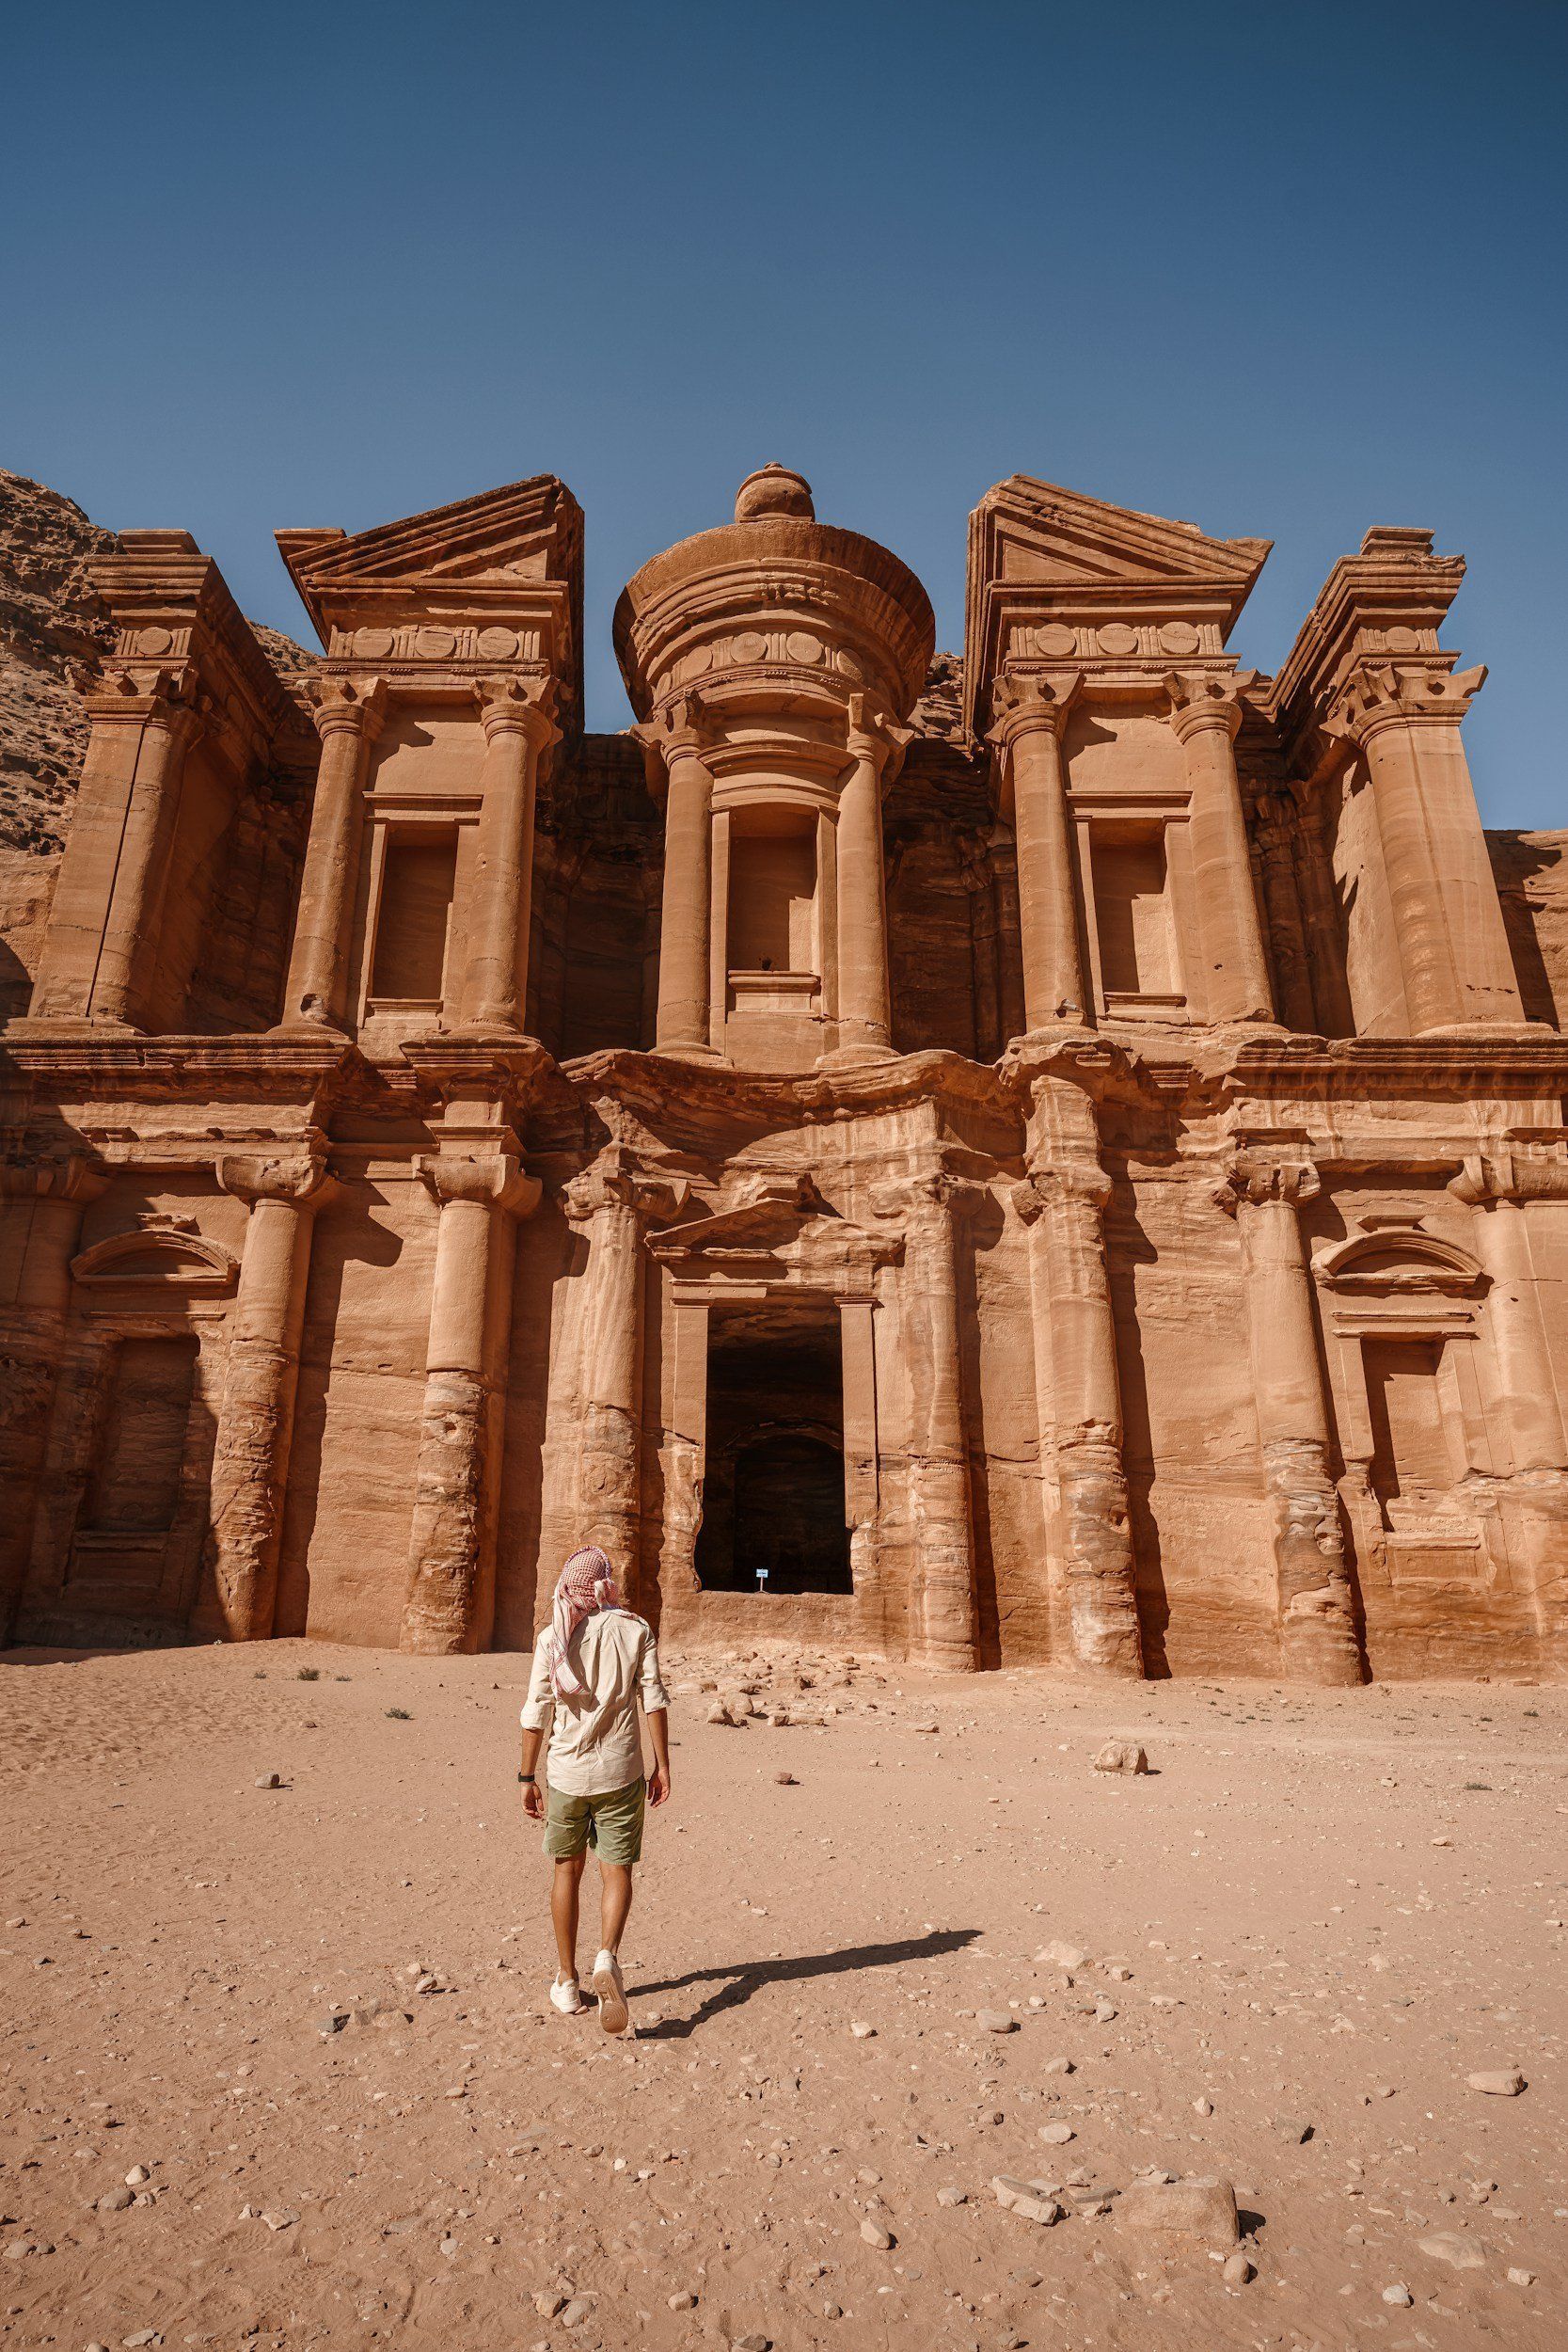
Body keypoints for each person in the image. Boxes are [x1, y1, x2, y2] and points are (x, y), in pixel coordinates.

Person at [518, 1545, 671, 2033]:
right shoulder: (635, 1629)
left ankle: (566, 1980)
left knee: (567, 1870)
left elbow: (536, 1711)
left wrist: (526, 1776)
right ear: (607, 1585)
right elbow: (653, 1698)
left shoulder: (552, 1637)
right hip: (621, 1772)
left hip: (565, 1774)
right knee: (617, 1870)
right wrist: (663, 1764)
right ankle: (607, 1957)